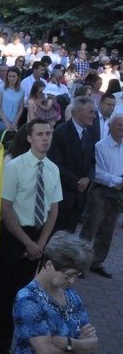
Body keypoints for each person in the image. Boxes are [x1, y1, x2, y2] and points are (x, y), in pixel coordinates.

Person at [0, 119, 62, 354]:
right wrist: (26, 243)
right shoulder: (15, 166)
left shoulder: (53, 169)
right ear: (30, 138)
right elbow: (5, 208)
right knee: (2, 291)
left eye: (49, 133)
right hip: (13, 235)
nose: (46, 138)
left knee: (21, 294)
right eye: (40, 134)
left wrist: (40, 244)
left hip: (37, 237)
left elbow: (53, 210)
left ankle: (6, 341)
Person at [78, 112, 123, 278]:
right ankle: (79, 263)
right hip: (101, 192)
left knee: (108, 230)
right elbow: (98, 173)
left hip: (118, 194)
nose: (122, 128)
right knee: (90, 229)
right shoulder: (100, 146)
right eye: (119, 125)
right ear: (110, 126)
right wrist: (118, 180)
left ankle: (96, 262)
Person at [47, 95, 97, 233]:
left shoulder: (91, 132)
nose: (94, 116)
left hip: (79, 197)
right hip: (62, 194)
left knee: (70, 234)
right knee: (55, 234)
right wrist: (76, 182)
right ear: (77, 113)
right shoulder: (61, 132)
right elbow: (55, 162)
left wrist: (87, 178)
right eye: (91, 112)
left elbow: (92, 159)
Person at [0, 66, 24, 145]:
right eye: (9, 76)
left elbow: (20, 108)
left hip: (13, 121)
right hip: (1, 119)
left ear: (18, 77)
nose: (11, 78)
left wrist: (15, 122)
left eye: (14, 76)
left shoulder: (22, 91)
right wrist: (5, 121)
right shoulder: (1, 89)